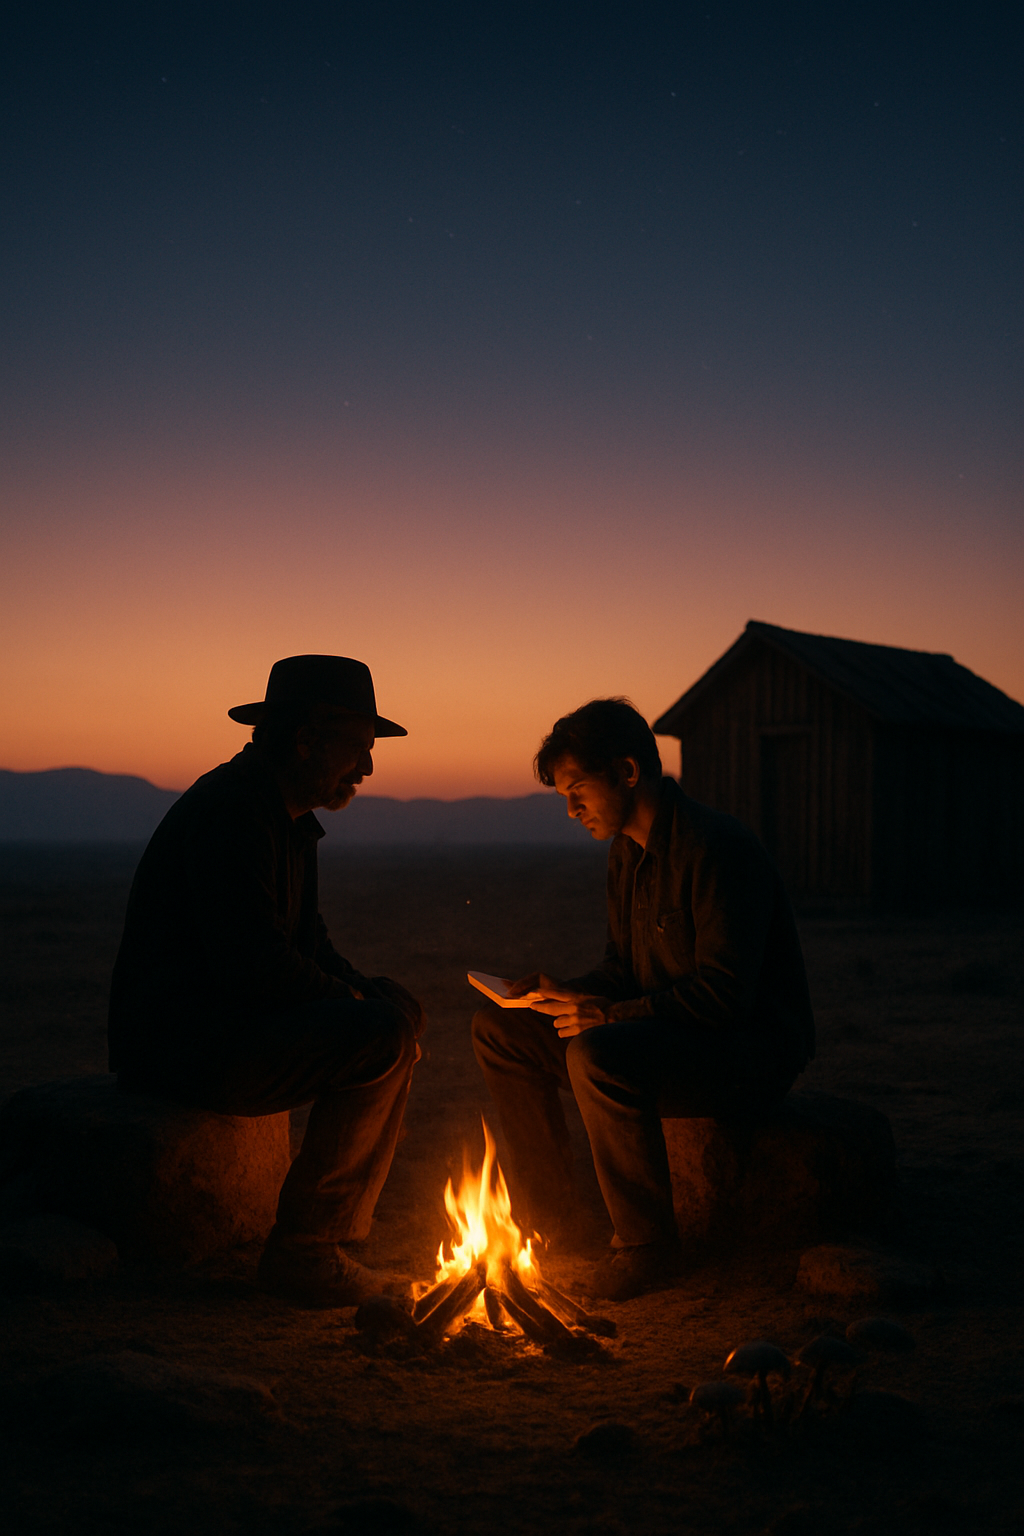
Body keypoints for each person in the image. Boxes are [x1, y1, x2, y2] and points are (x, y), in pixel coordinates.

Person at [472, 698, 815, 1301]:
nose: (572, 810)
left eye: (578, 790)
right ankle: (551, 1219)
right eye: (565, 797)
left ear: (627, 772)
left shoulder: (717, 848)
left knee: (597, 1053)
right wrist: (569, 993)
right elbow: (623, 969)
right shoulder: (626, 853)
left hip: (743, 1054)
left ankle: (648, 1245)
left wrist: (608, 1016)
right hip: (665, 1036)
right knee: (501, 1031)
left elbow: (725, 998)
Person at [108, 654, 425, 1305]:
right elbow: (254, 964)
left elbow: (311, 946)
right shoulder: (233, 813)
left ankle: (334, 1235)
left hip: (228, 1027)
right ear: (306, 739)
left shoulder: (284, 818)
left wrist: (372, 993)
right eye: (358, 748)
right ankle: (307, 1251)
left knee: (395, 1017)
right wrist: (357, 1007)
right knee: (379, 1034)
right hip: (184, 1047)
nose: (367, 768)